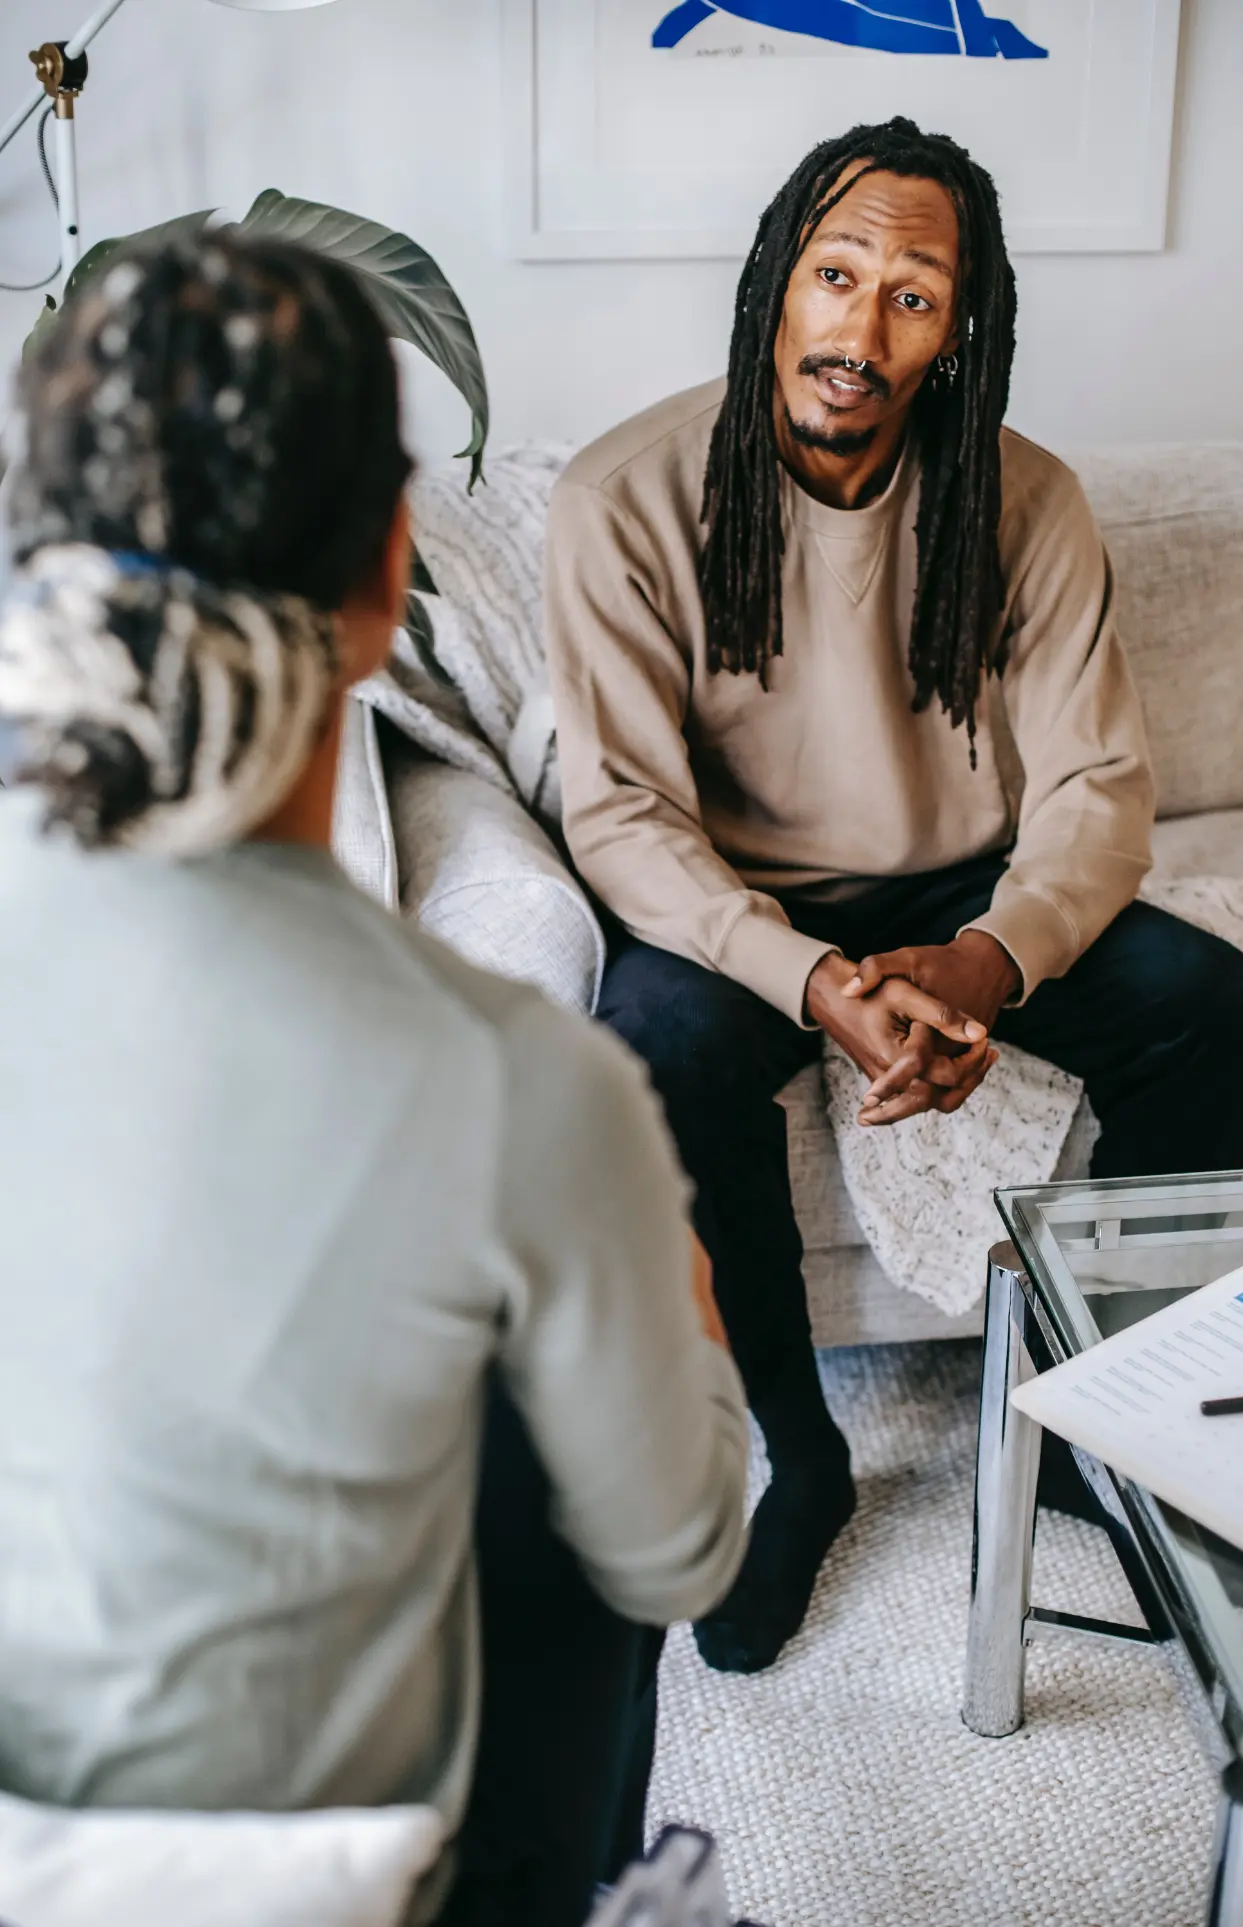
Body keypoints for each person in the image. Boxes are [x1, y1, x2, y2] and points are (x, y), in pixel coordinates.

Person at [0, 233, 748, 1927]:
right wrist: (684, 1304)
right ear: (385, 571)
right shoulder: (517, 1086)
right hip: (305, 1888)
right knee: (549, 1455)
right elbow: (683, 1550)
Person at [544, 116, 1243, 1679]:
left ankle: (1094, 1421)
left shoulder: (1024, 500)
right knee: (654, 1052)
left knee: (1216, 1011)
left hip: (960, 884)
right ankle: (797, 1457)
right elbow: (614, 812)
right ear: (773, 285)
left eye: (912, 296)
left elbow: (1094, 793)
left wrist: (977, 966)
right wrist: (812, 978)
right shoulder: (624, 497)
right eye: (834, 273)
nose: (859, 328)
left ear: (961, 330)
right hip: (736, 898)